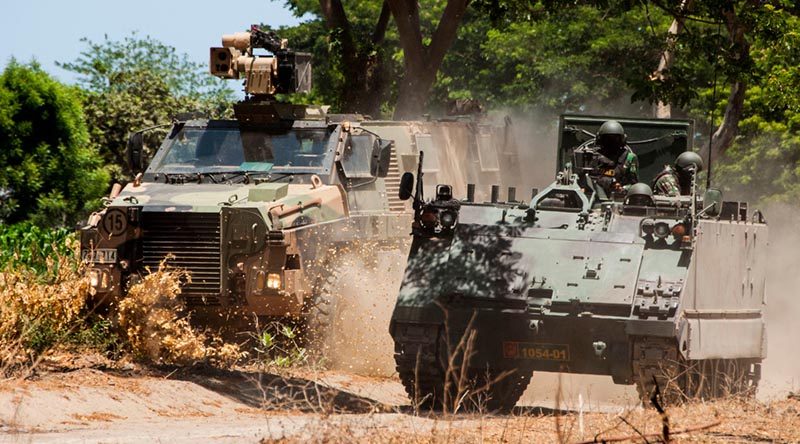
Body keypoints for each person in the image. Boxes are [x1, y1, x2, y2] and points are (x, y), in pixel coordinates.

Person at [589, 120, 639, 195]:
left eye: (615, 138)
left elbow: (634, 185)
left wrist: (622, 188)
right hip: (594, 195)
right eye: (607, 138)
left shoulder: (629, 158)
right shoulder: (592, 156)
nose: (611, 141)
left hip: (619, 197)